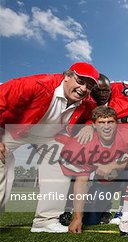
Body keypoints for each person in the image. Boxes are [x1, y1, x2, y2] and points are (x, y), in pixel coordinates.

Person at [0, 62, 98, 233]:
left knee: (62, 161)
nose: (83, 89)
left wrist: (89, 125)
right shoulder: (36, 84)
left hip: (49, 137)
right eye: (80, 81)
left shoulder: (87, 102)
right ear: (67, 76)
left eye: (88, 86)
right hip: (15, 129)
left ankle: (45, 221)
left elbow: (92, 115)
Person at [59, 106, 128, 234]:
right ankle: (103, 210)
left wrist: (112, 165)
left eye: (110, 122)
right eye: (101, 123)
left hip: (121, 179)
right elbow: (81, 182)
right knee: (90, 220)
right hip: (101, 183)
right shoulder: (82, 143)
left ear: (117, 124)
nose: (106, 126)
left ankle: (125, 219)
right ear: (94, 125)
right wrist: (77, 218)